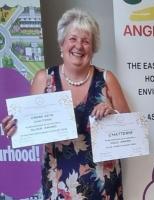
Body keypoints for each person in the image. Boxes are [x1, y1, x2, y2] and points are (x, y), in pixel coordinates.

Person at [2, 8, 129, 199]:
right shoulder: (43, 79)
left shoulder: (107, 79)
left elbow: (131, 128)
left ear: (92, 49)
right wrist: (14, 129)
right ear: (62, 44)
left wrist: (113, 114)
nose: (79, 45)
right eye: (73, 39)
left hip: (103, 187)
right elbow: (28, 128)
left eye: (86, 41)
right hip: (58, 185)